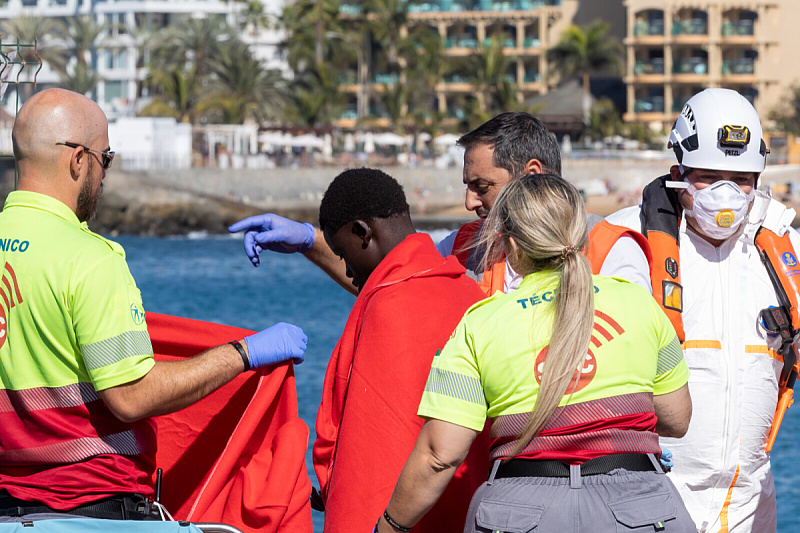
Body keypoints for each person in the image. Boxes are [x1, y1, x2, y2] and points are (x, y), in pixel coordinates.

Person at [0, 88, 308, 521]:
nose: (105, 175)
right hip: (94, 508)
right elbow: (129, 396)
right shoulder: (89, 258)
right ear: (78, 160)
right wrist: (243, 354)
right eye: (106, 159)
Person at [374, 174, 694, 533]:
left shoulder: (481, 323)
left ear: (511, 245)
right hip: (642, 509)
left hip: (518, 513)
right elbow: (677, 419)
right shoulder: (639, 303)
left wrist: (389, 526)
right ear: (580, 231)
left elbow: (439, 455)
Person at [606, 87, 797, 532]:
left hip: (750, 500)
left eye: (742, 179)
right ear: (679, 171)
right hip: (651, 498)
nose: (727, 194)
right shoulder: (625, 245)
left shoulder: (782, 252)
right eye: (710, 177)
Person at [267, 168, 487, 532]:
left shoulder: (385, 305)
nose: (349, 274)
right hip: (466, 507)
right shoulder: (469, 292)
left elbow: (368, 449)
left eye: (342, 252)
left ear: (362, 232)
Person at [228, 113, 652, 296]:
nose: (469, 202)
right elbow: (384, 275)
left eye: (481, 186)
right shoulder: (468, 247)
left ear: (532, 174)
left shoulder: (612, 250)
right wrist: (307, 240)